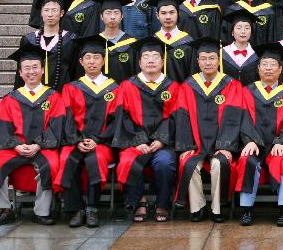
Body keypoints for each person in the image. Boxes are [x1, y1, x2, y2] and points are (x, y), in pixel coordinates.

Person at [0, 43, 66, 226]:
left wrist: (38, 145)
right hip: (14, 146)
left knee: (51, 164)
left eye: (35, 67)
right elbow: (2, 129)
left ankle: (42, 211)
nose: (31, 71)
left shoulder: (54, 97)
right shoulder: (10, 99)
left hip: (43, 147)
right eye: (26, 68)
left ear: (42, 70)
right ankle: (3, 209)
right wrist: (17, 145)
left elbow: (56, 127)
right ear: (20, 72)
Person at [175, 38, 244, 223]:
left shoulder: (231, 85)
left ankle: (217, 208)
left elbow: (233, 117)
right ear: (198, 61)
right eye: (204, 58)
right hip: (196, 145)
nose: (208, 62)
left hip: (219, 144)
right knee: (188, 162)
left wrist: (225, 146)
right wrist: (187, 146)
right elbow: (182, 117)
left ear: (219, 60)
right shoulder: (188, 86)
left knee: (220, 163)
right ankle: (197, 207)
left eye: (212, 58)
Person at [112, 37, 180, 223]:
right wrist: (138, 141)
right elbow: (123, 116)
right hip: (134, 141)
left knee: (165, 163)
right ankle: (139, 201)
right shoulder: (127, 86)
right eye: (146, 56)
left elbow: (174, 117)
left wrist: (161, 139)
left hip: (163, 144)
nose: (151, 60)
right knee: (128, 161)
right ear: (139, 62)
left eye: (155, 56)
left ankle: (162, 203)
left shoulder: (172, 87)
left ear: (162, 62)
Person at [55, 36, 121, 228]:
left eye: (96, 57)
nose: (92, 61)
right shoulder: (70, 88)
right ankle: (76, 209)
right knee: (66, 157)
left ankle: (92, 208)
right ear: (81, 62)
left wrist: (98, 140)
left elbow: (116, 121)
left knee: (97, 158)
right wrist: (76, 140)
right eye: (88, 57)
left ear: (103, 61)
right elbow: (66, 118)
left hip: (102, 143)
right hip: (75, 141)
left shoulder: (114, 88)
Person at [235, 43, 283, 227]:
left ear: (281, 69)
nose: (269, 68)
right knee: (246, 159)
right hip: (254, 144)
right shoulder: (247, 92)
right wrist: (249, 140)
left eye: (273, 65)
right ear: (258, 68)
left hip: (277, 144)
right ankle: (246, 209)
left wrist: (281, 142)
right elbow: (242, 118)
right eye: (265, 64)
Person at [19, 0, 76, 89]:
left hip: (62, 93)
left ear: (61, 13)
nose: (50, 14)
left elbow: (75, 71)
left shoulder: (71, 40)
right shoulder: (28, 40)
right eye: (46, 10)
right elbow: (21, 71)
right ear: (41, 12)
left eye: (54, 10)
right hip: (34, 94)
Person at [148, 0, 195, 82]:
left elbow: (193, 74)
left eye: (172, 12)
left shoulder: (188, 42)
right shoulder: (151, 42)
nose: (168, 17)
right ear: (157, 15)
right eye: (163, 13)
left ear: (178, 13)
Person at [94, 0, 138, 82]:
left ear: (122, 16)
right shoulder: (95, 42)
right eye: (108, 13)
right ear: (101, 16)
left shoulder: (132, 44)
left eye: (116, 13)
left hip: (125, 89)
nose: (112, 17)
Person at [221, 9, 260, 84]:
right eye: (239, 28)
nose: (243, 31)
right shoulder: (222, 52)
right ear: (232, 32)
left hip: (249, 91)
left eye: (247, 28)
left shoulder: (257, 54)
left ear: (251, 32)